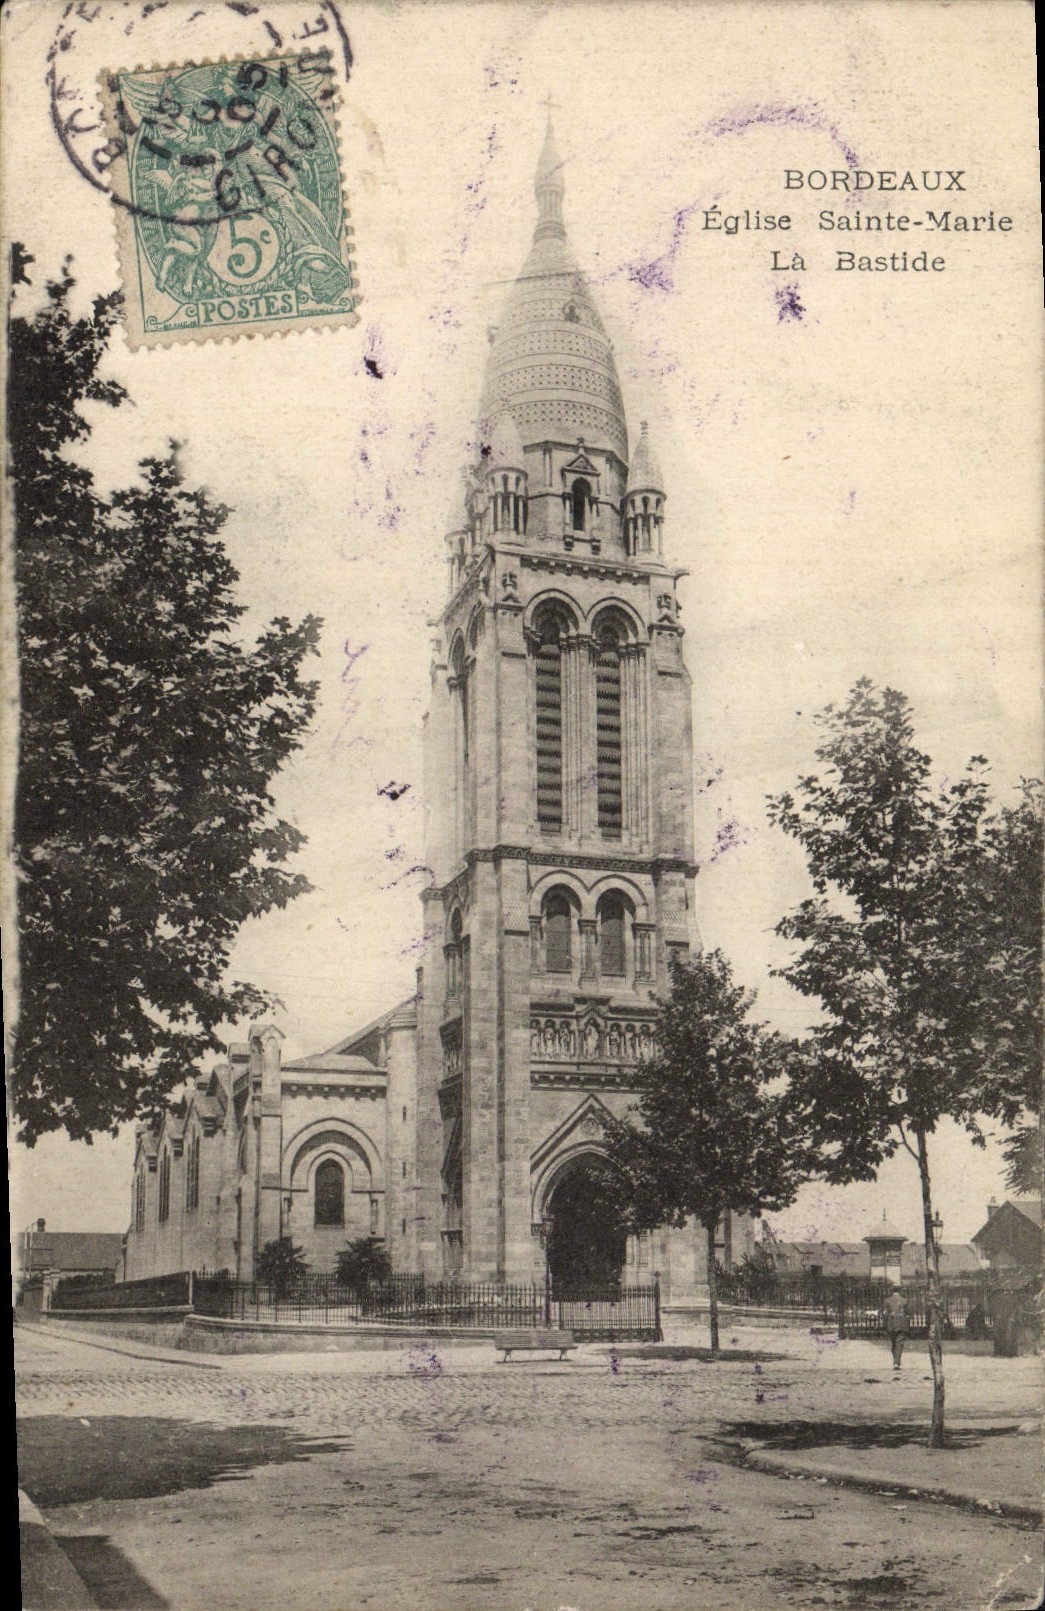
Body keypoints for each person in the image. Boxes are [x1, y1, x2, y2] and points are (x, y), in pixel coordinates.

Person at [883, 1289, 909, 1372]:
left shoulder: (887, 1300)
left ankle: (895, 1361)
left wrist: (886, 1324)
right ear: (900, 1291)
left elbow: (885, 1314)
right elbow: (908, 1314)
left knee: (893, 1343)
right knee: (899, 1343)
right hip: (902, 1324)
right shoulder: (904, 1301)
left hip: (891, 1325)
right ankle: (896, 1362)